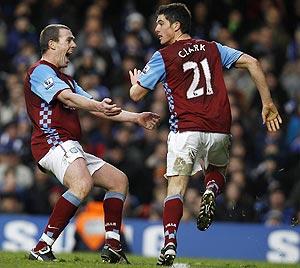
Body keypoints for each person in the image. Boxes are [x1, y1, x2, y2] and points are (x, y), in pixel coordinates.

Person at [129, 3, 282, 266]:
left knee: (176, 187)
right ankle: (211, 188)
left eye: (161, 23)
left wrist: (135, 83)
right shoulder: (213, 48)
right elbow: (253, 63)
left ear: (176, 26)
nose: (156, 29)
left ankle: (168, 245)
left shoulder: (163, 56)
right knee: (218, 171)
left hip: (185, 129)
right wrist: (267, 102)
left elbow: (137, 95)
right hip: (219, 129)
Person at [24, 24, 160, 264]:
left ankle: (113, 246)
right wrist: (97, 106)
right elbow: (66, 97)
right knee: (82, 183)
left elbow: (100, 109)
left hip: (69, 145)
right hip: (51, 142)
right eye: (69, 40)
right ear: (52, 44)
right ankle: (42, 247)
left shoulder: (66, 79)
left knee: (118, 181)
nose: (74, 45)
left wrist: (136, 118)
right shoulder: (40, 71)